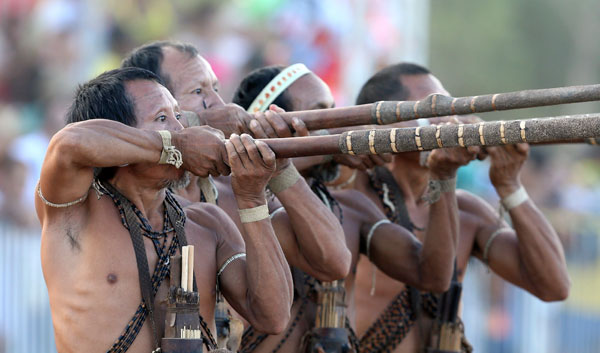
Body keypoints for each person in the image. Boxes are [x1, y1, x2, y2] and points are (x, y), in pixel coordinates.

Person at [36, 67, 293, 353]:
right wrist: (175, 146)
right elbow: (69, 145)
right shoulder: (75, 211)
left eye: (178, 117)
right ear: (119, 135)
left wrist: (251, 198)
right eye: (162, 118)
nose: (182, 130)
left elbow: (273, 315)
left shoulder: (208, 222)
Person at [229, 64, 478, 352]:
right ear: (275, 122)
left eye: (335, 111)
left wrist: (445, 175)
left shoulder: (350, 207)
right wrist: (328, 147)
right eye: (322, 112)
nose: (337, 123)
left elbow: (433, 276)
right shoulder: (234, 201)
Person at [349, 63, 571, 352]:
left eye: (449, 110)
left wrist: (510, 186)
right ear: (384, 123)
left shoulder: (465, 211)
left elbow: (554, 286)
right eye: (433, 109)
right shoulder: (351, 201)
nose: (448, 121)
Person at [121, 41, 351, 284]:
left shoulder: (237, 193)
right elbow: (80, 138)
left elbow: (335, 263)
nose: (221, 104)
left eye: (216, 89)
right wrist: (196, 121)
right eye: (198, 92)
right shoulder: (120, 186)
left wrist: (282, 169)